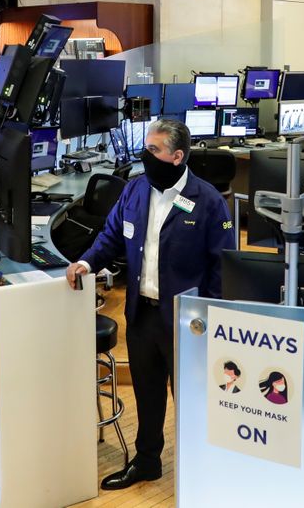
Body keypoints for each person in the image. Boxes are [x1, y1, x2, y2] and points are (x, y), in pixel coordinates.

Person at [66, 118, 235, 490]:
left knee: (191, 397)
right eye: (146, 148)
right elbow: (111, 235)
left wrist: (214, 320)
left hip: (188, 321)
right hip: (142, 313)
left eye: (154, 150)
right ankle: (147, 461)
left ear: (177, 156)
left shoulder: (208, 201)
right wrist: (87, 262)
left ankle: (202, 468)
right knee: (147, 391)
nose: (146, 156)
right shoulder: (135, 190)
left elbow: (223, 267)